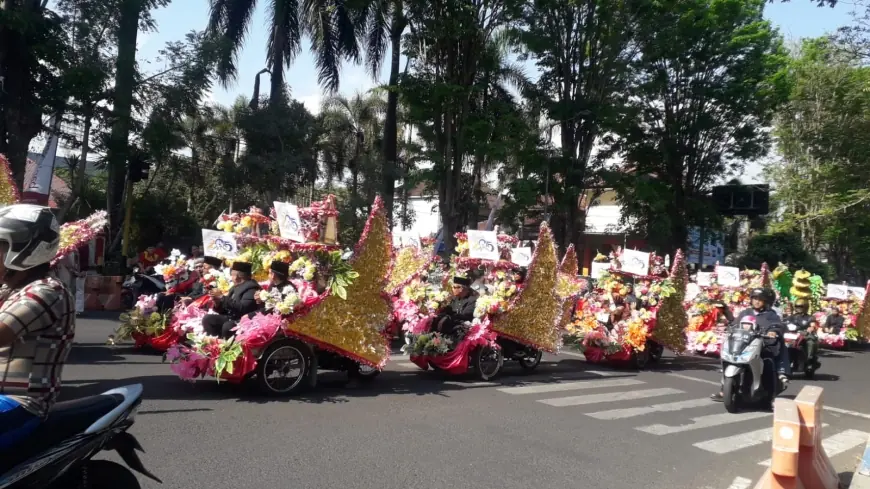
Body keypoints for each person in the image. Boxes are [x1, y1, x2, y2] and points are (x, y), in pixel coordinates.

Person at [0, 205, 74, 450]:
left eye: (1, 246)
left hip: (20, 404)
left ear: (24, 249)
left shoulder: (46, 291)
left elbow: (2, 332)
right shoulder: (11, 288)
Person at [712, 287, 789, 401]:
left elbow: (779, 325)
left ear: (767, 302)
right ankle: (725, 390)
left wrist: (773, 331)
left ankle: (771, 397)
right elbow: (734, 324)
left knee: (768, 363)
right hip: (744, 345)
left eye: (760, 299)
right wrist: (726, 313)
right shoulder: (745, 312)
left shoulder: (771, 315)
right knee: (729, 359)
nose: (756, 301)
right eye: (754, 298)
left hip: (763, 347)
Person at [201, 261, 260, 339]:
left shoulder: (251, 288)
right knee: (208, 319)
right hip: (231, 317)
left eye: (232, 275)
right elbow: (226, 309)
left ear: (237, 276)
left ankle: (226, 347)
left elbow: (243, 308)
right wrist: (217, 302)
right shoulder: (234, 287)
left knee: (228, 326)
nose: (231, 278)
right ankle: (214, 344)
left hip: (244, 320)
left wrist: (222, 297)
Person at [785, 298, 820, 370]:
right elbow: (785, 323)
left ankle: (809, 359)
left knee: (810, 342)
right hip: (793, 334)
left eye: (800, 306)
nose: (798, 308)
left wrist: (811, 328)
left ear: (805, 307)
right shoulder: (792, 317)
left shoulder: (810, 317)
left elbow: (813, 325)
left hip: (805, 334)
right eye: (797, 306)